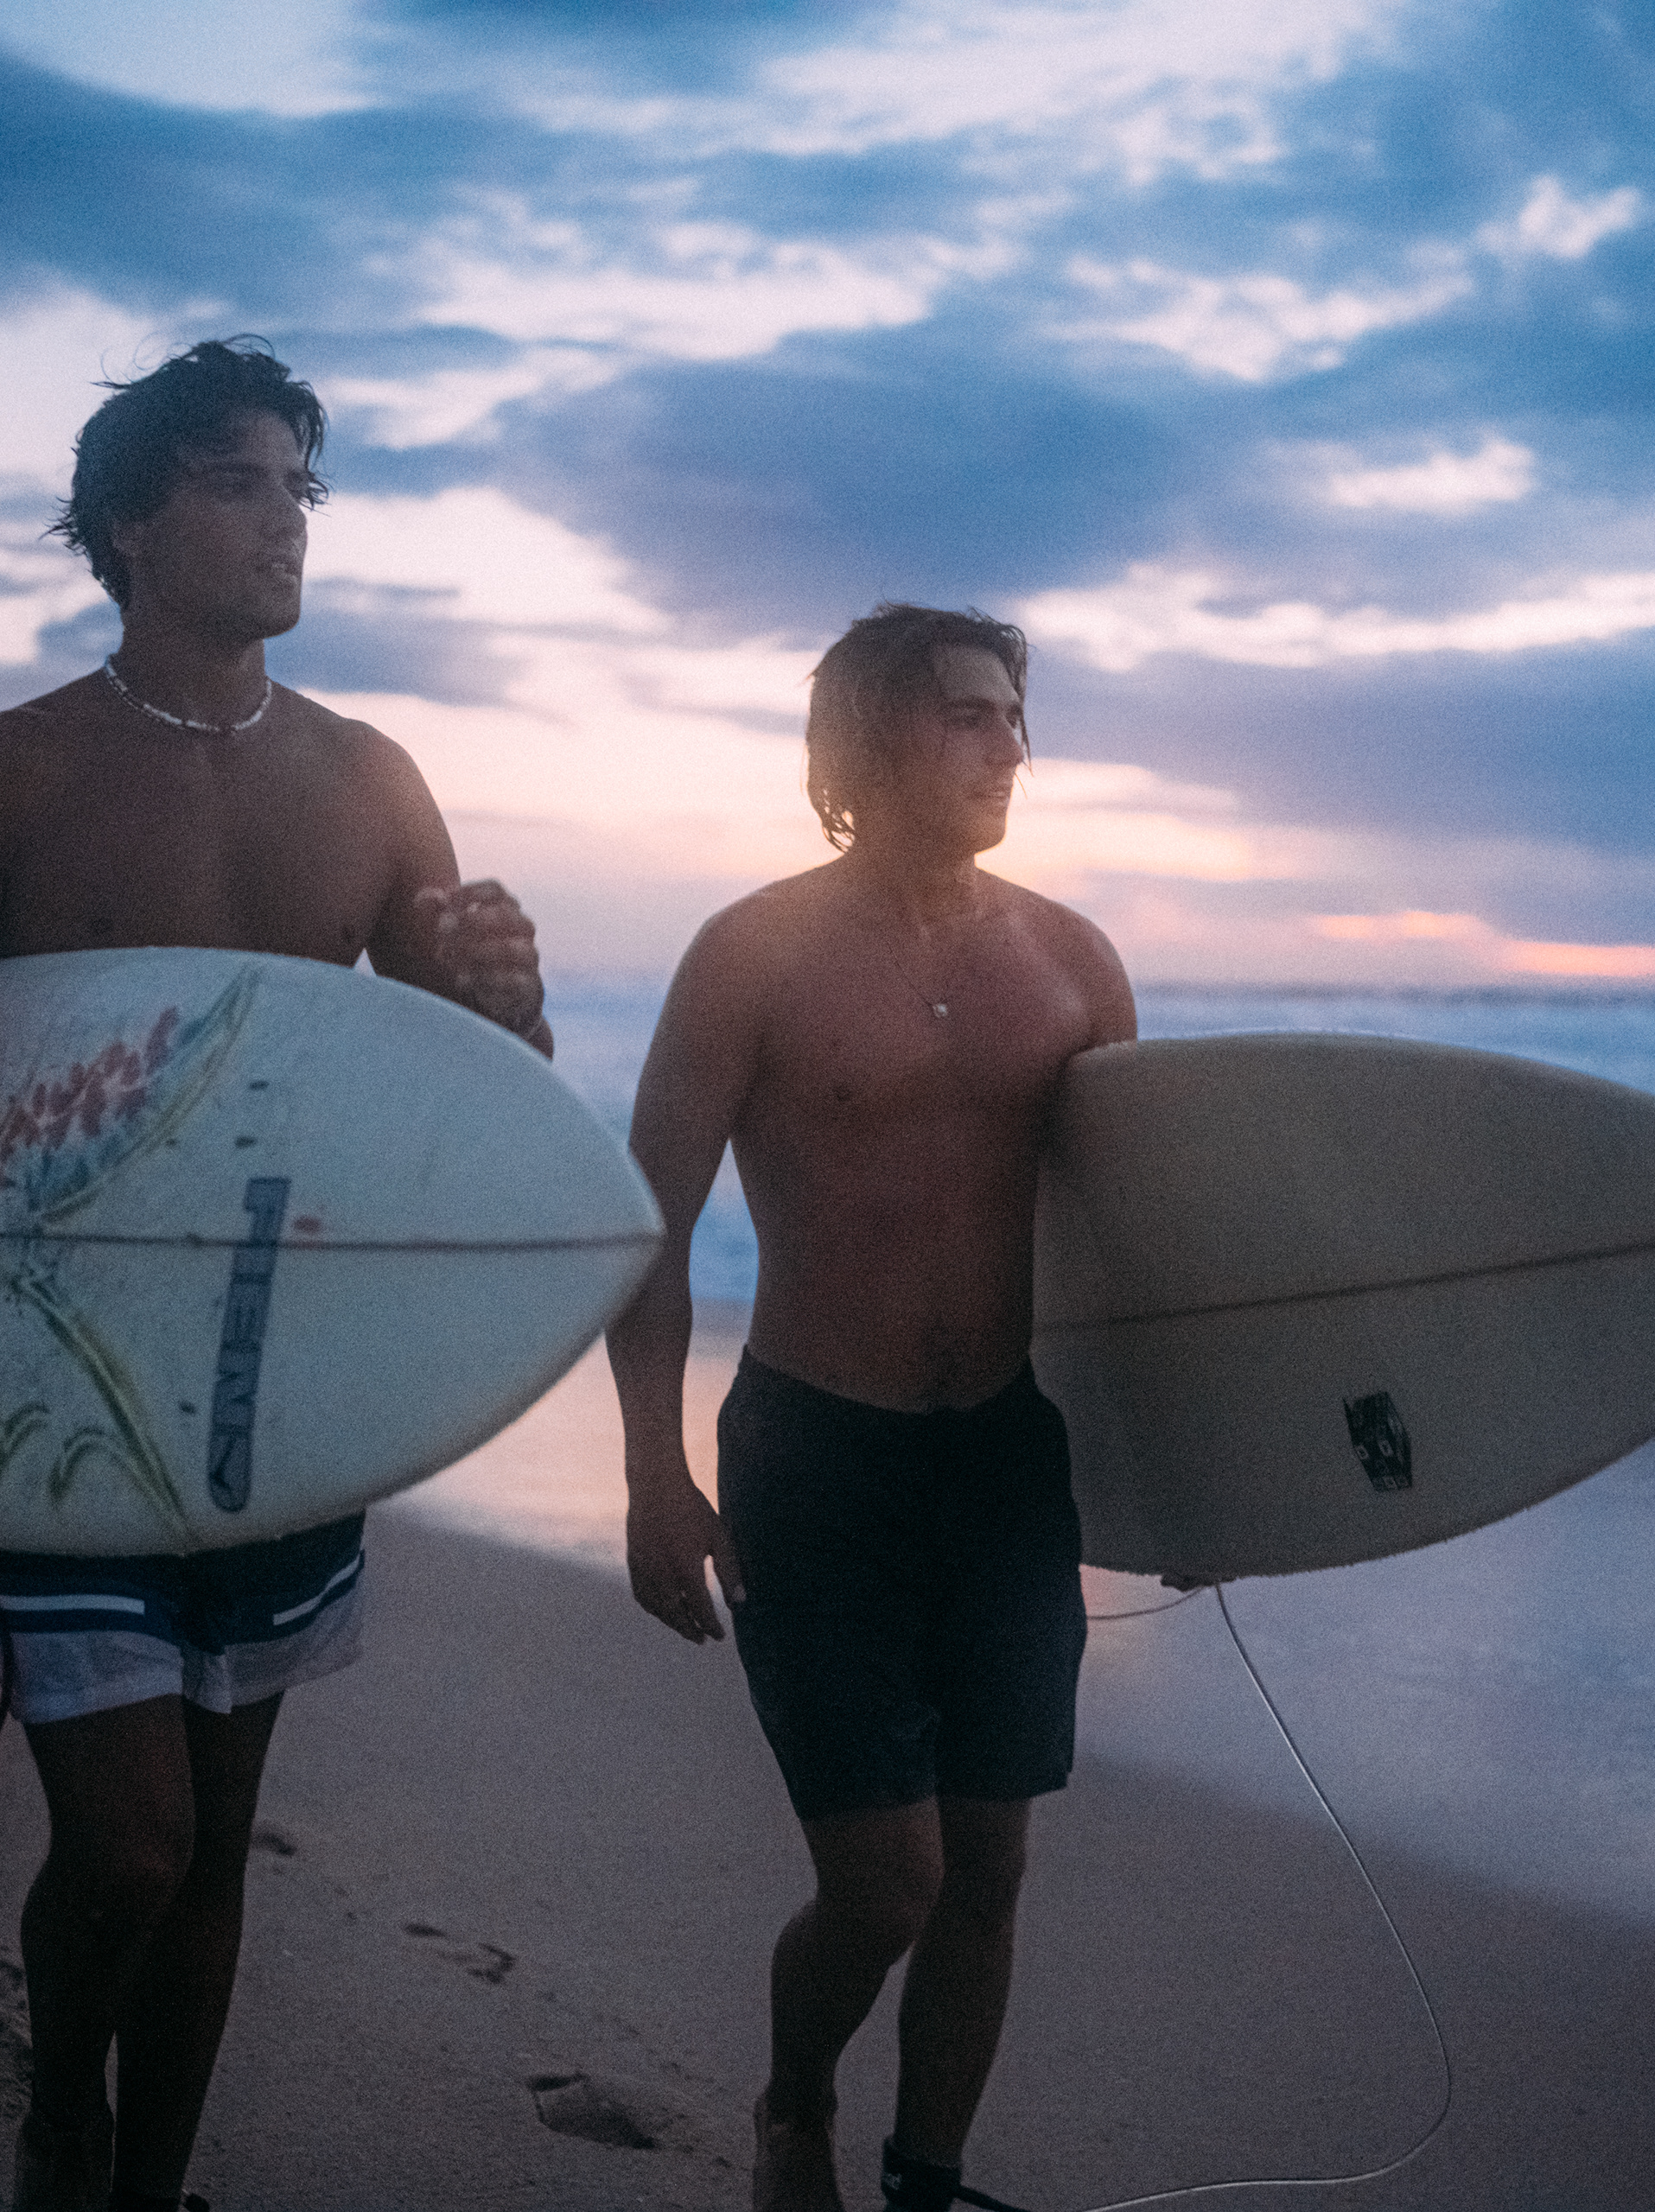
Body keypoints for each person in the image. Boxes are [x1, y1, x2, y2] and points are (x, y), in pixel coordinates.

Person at [0, 339, 551, 2212]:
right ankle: (62, 2109)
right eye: (236, 478)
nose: (284, 514)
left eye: (303, 481)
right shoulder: (7, 777)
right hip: (47, 1383)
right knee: (124, 1844)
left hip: (272, 1390)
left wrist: (514, 1012)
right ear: (128, 519)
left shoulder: (373, 783)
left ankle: (150, 2183)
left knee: (215, 1832)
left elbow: (454, 1110)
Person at [609, 604, 1135, 2212]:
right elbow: (648, 1226)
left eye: (1016, 719)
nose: (1010, 750)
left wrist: (1190, 1476)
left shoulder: (1070, 960)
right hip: (817, 1456)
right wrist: (651, 1479)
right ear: (864, 748)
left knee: (988, 1866)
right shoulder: (752, 953)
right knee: (886, 1876)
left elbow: (1143, 1249)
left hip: (1009, 1459)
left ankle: (925, 2179)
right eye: (971, 717)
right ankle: (793, 2106)